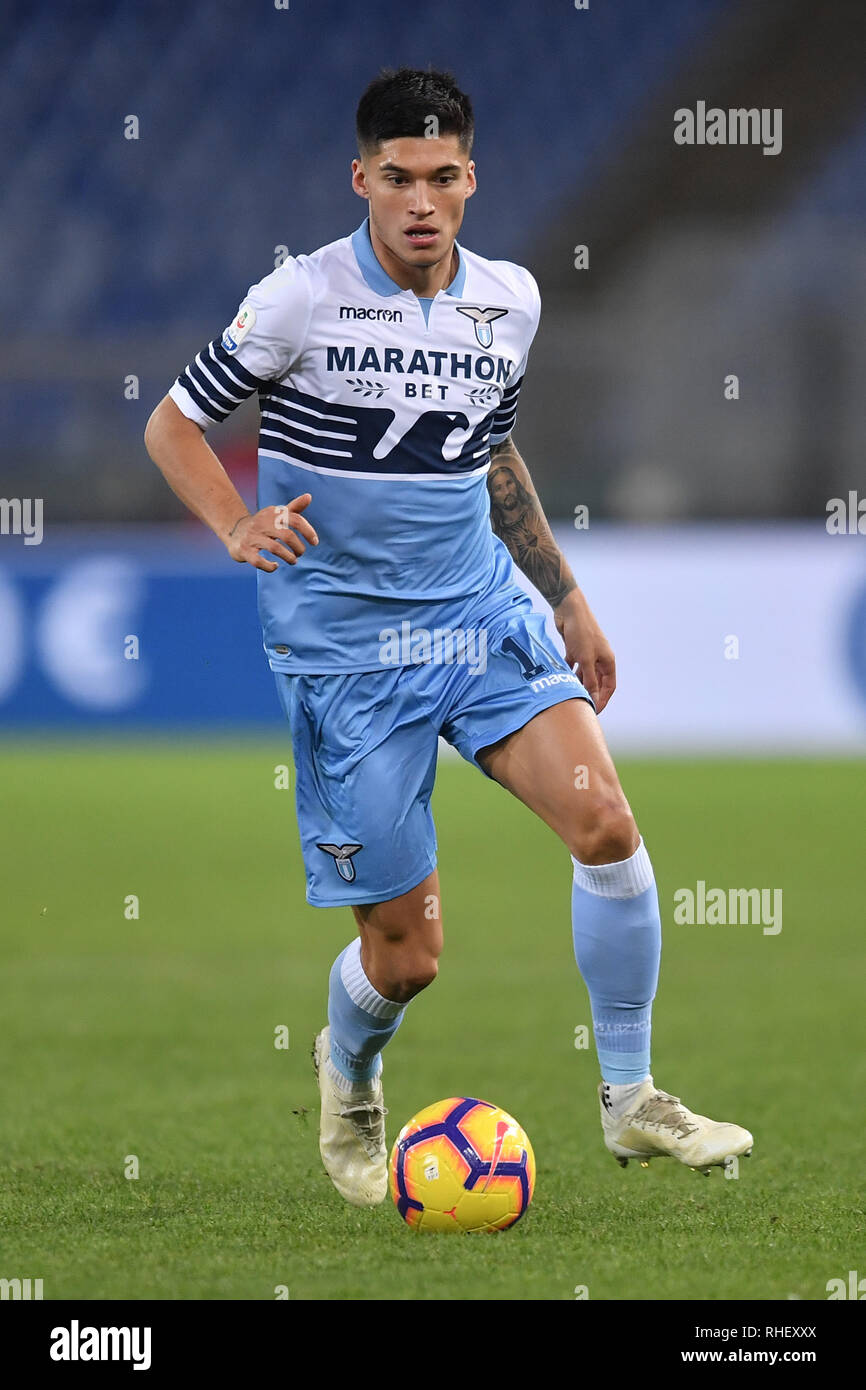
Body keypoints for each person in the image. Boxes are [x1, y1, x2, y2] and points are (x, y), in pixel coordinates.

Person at [144, 66, 752, 1208]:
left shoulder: (508, 301)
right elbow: (172, 422)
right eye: (396, 179)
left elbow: (491, 457)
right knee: (406, 957)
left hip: (478, 618)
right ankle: (351, 1070)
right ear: (361, 178)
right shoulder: (298, 298)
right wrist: (234, 524)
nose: (419, 200)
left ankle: (630, 1097)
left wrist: (565, 597)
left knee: (606, 824)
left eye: (441, 177)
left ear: (470, 178)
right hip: (347, 654)